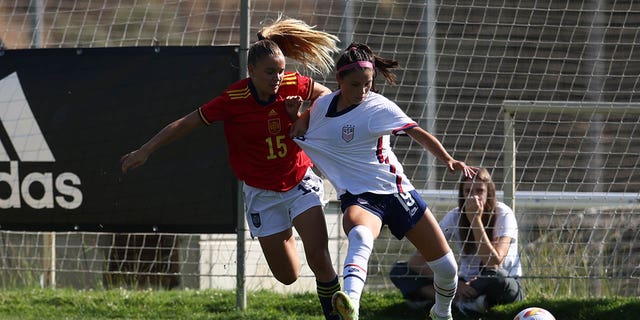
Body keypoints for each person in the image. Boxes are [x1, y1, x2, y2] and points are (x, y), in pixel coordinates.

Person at [120, 17, 343, 320]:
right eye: (269, 72)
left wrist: (301, 117)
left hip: (298, 180)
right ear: (250, 71)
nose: (277, 78)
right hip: (262, 193)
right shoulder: (234, 99)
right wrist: (146, 150)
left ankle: (340, 314)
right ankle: (285, 230)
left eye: (280, 70)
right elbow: (185, 123)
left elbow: (327, 96)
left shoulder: (292, 84)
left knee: (319, 257)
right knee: (288, 276)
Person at [287, 42, 477, 320]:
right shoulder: (322, 106)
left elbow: (417, 132)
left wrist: (448, 159)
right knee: (360, 234)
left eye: (368, 84)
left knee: (447, 269)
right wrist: (296, 116)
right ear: (339, 80)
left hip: (396, 192)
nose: (362, 91)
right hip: (361, 198)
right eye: (355, 85)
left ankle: (441, 313)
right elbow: (300, 131)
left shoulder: (378, 107)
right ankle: (351, 304)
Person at [389, 167, 524, 316]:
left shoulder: (503, 214)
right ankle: (459, 301)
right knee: (400, 271)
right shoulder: (455, 216)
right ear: (462, 194)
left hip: (494, 280)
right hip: (464, 282)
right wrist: (456, 285)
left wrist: (475, 220)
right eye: (468, 192)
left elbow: (494, 263)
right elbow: (416, 262)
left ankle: (450, 301)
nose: (474, 197)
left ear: (489, 193)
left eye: (479, 191)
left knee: (500, 280)